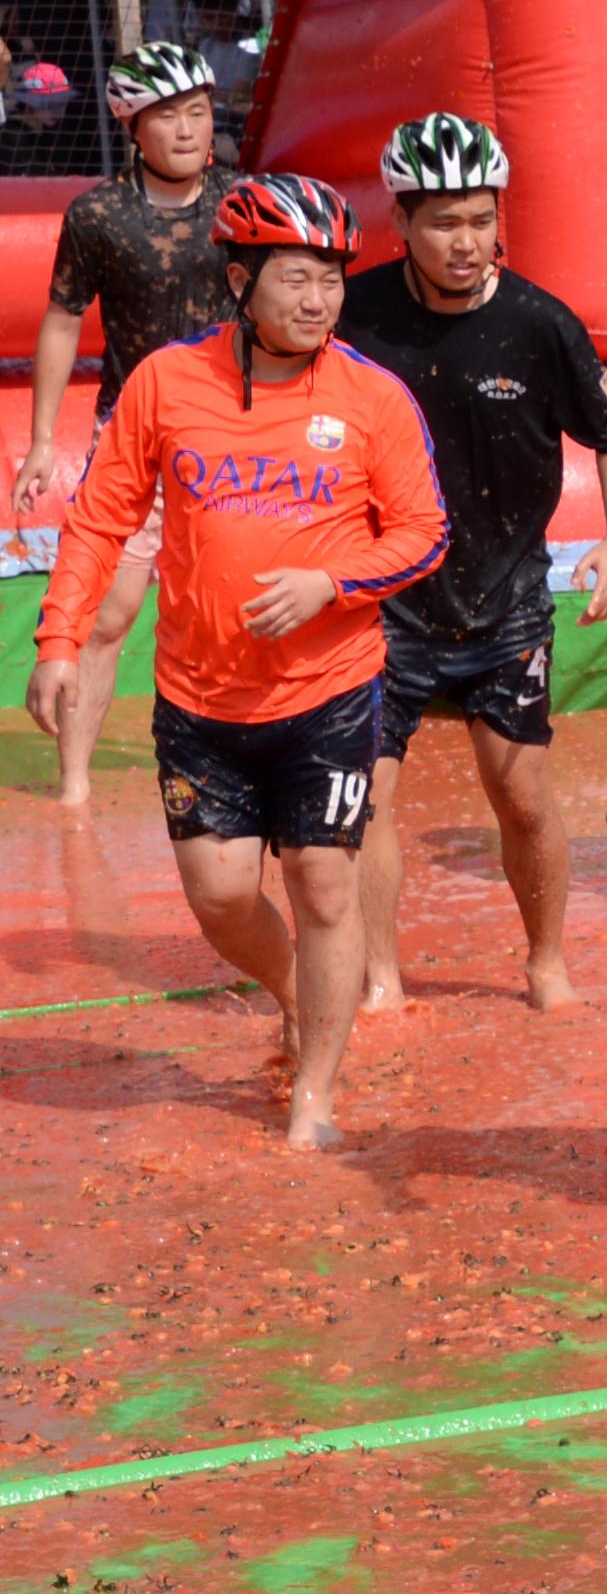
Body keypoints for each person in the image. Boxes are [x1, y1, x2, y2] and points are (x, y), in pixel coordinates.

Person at [27, 173, 448, 1152]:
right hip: (199, 698)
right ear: (238, 280)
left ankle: (316, 1100)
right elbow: (99, 520)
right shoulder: (168, 384)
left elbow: (425, 535)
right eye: (295, 278)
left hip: (331, 691)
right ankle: (296, 989)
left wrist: (331, 583)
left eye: (331, 280)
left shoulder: (373, 397)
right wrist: (56, 641)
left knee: (324, 883)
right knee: (220, 897)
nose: (317, 299)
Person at [337, 116, 607, 1016]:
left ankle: (546, 961)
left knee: (519, 790)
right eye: (442, 223)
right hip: (383, 601)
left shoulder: (541, 322)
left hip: (506, 599)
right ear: (401, 223)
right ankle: (381, 976)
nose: (464, 242)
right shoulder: (354, 317)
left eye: (479, 219)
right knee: (368, 797)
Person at [11, 43, 235, 808]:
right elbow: (62, 323)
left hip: (234, 433)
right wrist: (43, 440)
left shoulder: (242, 204)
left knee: (230, 606)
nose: (186, 131)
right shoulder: (99, 214)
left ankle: (233, 771)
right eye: (167, 116)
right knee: (108, 613)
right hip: (133, 435)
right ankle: (74, 786)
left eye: (198, 114)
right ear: (131, 125)